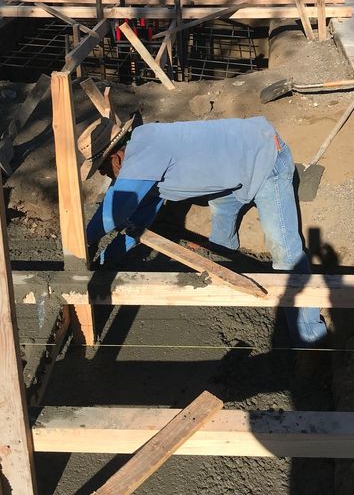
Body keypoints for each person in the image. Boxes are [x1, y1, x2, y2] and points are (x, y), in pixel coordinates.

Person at [87, 116, 327, 348]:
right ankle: (225, 259)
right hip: (236, 160)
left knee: (286, 252)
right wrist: (103, 261)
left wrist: (82, 243)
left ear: (116, 156)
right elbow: (140, 220)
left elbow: (113, 213)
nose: (105, 175)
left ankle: (310, 339)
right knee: (222, 211)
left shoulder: (143, 156)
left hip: (265, 158)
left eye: (103, 168)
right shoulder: (143, 147)